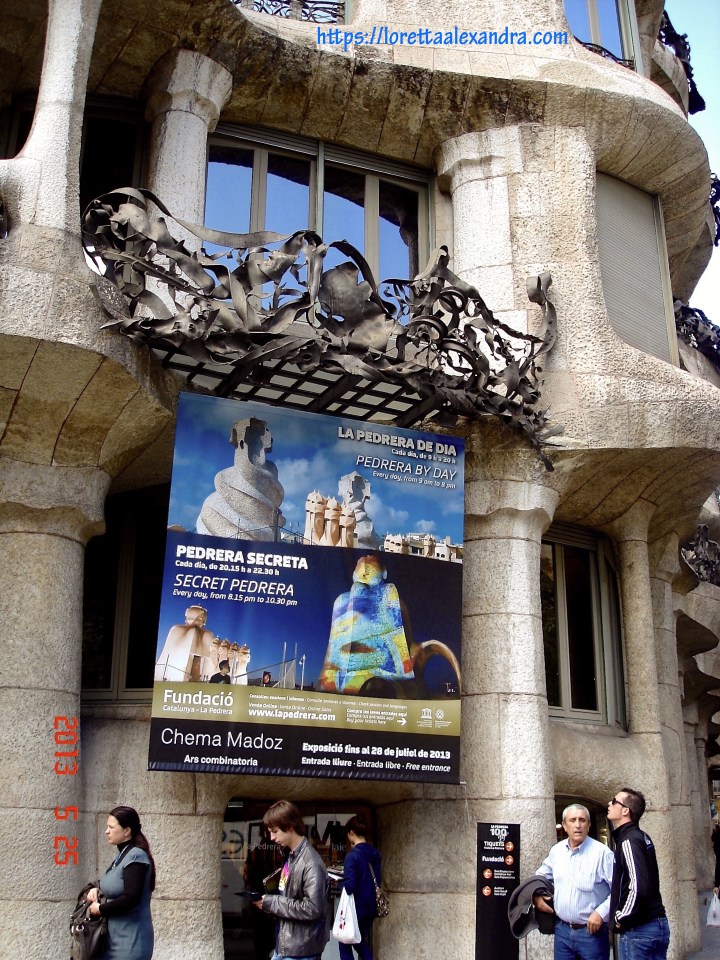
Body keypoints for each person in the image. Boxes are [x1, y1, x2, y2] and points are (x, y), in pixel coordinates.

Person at [533, 803, 614, 960]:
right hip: (562, 931)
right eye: (572, 820)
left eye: (582, 820)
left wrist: (601, 912)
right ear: (564, 825)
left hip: (592, 934)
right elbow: (541, 876)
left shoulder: (603, 853)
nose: (577, 825)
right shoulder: (556, 851)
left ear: (589, 825)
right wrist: (536, 896)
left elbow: (619, 890)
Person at [253, 800, 328, 960]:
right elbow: (287, 893)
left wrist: (273, 903)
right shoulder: (291, 856)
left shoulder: (311, 862)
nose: (272, 837)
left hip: (300, 950)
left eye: (275, 831)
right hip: (288, 946)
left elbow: (313, 908)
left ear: (289, 827)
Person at [607, 788, 670, 960]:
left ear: (625, 810)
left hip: (639, 930)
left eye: (614, 801)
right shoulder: (640, 836)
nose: (609, 804)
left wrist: (621, 917)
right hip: (655, 925)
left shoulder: (629, 840)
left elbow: (638, 886)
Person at [87, 805, 155, 959]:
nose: (106, 831)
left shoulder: (136, 856)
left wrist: (100, 909)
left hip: (131, 941)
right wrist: (96, 889)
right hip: (113, 938)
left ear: (127, 831)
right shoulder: (122, 855)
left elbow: (132, 897)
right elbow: (113, 883)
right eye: (107, 827)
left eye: (111, 827)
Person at [339, 815, 382, 960]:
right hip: (371, 908)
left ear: (351, 833)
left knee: (344, 941)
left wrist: (339, 882)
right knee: (357, 940)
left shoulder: (352, 856)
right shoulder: (375, 854)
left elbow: (350, 887)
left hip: (356, 909)